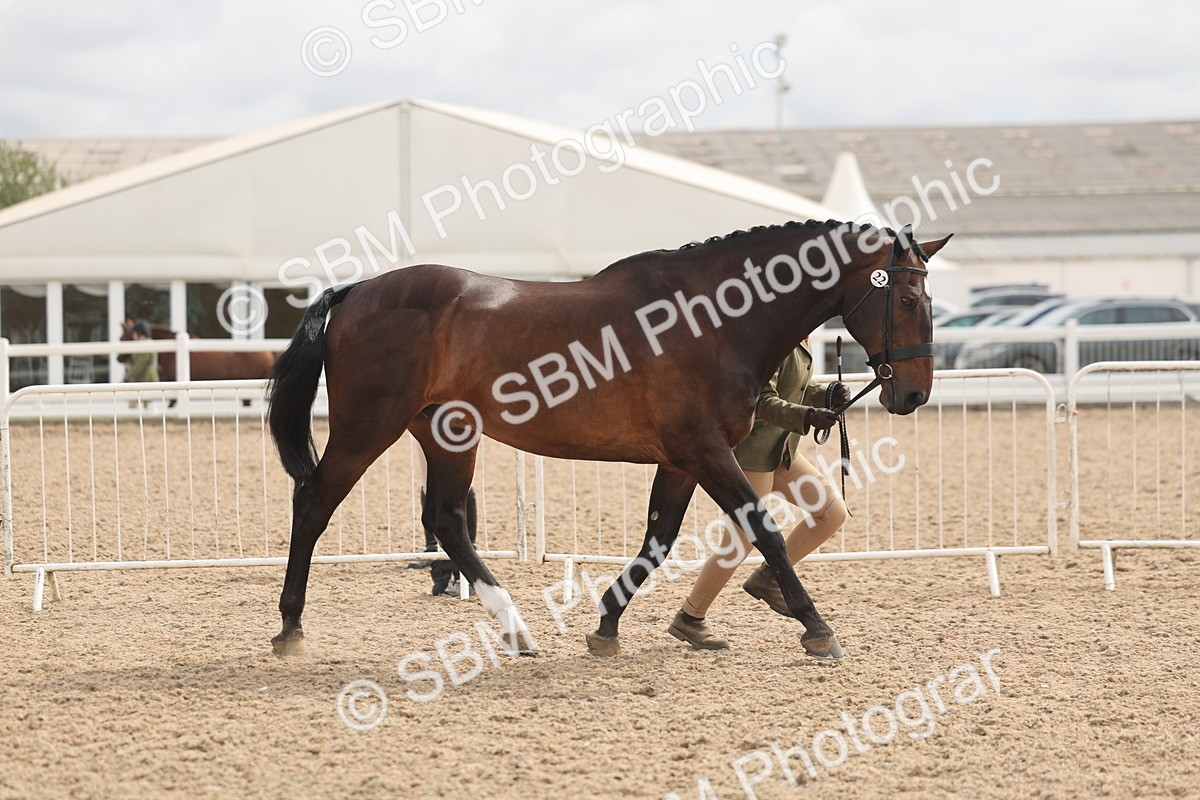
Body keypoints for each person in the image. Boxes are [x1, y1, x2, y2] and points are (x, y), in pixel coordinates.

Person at [667, 339, 851, 650]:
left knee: (831, 512)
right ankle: (690, 616)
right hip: (754, 455)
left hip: (782, 452)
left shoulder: (800, 338)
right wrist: (807, 416)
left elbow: (795, 388)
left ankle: (768, 576)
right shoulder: (778, 339)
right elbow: (761, 400)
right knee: (738, 543)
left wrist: (825, 395)